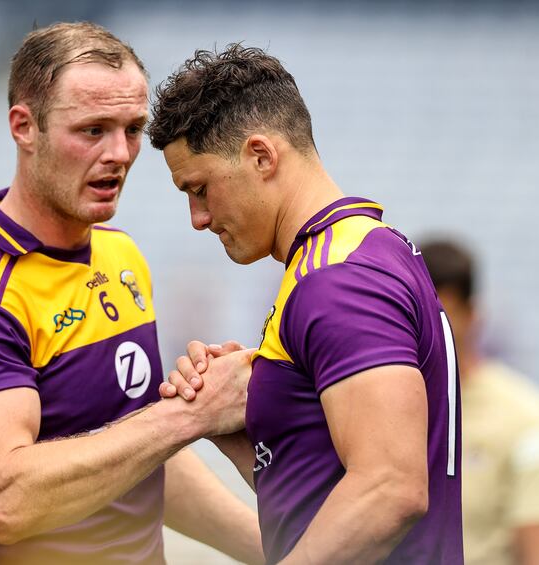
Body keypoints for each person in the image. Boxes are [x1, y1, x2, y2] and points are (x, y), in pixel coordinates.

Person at [0, 23, 263, 565]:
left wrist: (279, 551)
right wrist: (189, 417)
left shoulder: (120, 256)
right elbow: (7, 500)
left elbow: (137, 458)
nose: (120, 153)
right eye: (93, 130)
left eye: (133, 128)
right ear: (25, 127)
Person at [148, 45, 463, 564]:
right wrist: (245, 426)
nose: (197, 218)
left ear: (262, 156)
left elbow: (389, 489)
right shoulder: (365, 246)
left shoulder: (338, 280)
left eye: (200, 189)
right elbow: (321, 490)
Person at [419, 239, 539, 565]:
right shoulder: (383, 411)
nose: (427, 331)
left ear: (473, 315)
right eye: (414, 315)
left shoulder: (529, 418)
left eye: (443, 316)